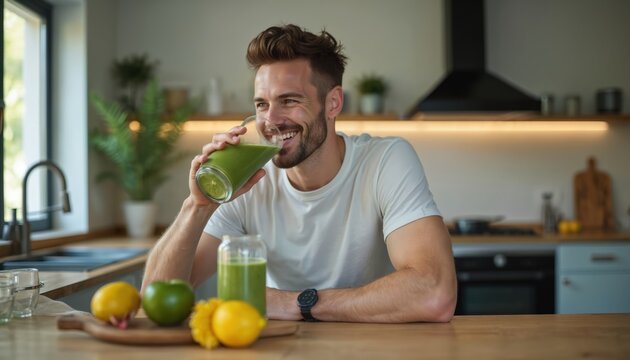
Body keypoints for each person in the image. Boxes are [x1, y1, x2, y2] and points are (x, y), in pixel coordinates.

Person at [142, 24, 457, 323]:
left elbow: (434, 293)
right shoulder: (249, 178)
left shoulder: (385, 161)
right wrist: (198, 206)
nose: (271, 120)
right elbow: (154, 301)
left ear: (332, 103)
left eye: (289, 101)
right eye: (262, 104)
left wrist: (297, 304)